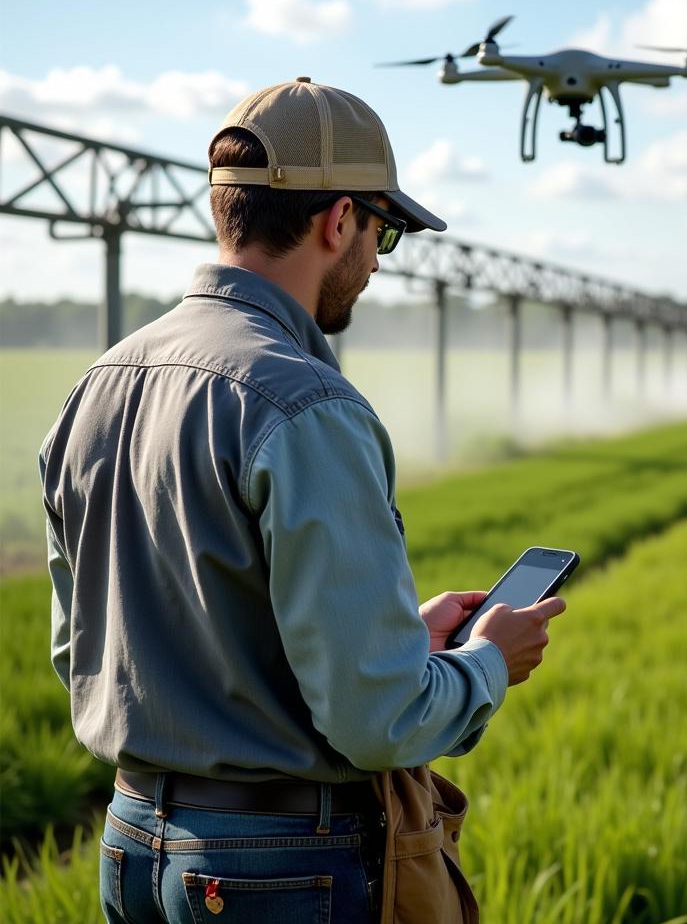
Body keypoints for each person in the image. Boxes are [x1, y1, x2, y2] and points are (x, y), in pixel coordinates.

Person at [39, 78, 567, 923]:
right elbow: (375, 720)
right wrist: (484, 665)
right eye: (382, 232)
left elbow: (85, 656)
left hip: (132, 843)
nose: (375, 258)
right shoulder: (307, 404)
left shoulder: (94, 388)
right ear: (338, 220)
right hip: (278, 873)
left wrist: (403, 643)